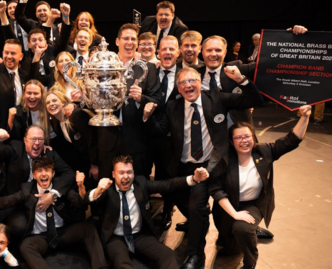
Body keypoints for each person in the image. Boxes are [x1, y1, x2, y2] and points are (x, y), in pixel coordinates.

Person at [143, 67, 263, 269]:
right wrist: (147, 117)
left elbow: (255, 100)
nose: (188, 85)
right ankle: (200, 222)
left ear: (200, 82)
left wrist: (241, 80)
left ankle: (195, 255)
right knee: (189, 207)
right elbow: (157, 131)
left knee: (197, 204)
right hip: (182, 168)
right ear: (178, 88)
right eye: (182, 83)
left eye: (192, 80)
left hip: (209, 165)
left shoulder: (216, 98)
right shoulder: (173, 106)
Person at [209, 105, 312, 269]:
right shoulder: (224, 160)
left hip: (252, 204)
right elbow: (216, 190)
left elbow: (291, 140)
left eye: (247, 136)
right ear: (231, 141)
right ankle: (251, 231)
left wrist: (304, 117)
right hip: (227, 207)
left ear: (253, 137)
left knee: (242, 229)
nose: (244, 141)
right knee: (229, 249)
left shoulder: (264, 151)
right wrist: (234, 213)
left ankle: (249, 264)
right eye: (238, 138)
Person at [0, 156, 109, 269]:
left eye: (47, 170)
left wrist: (80, 186)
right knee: (26, 246)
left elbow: (80, 203)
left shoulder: (60, 187)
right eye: (39, 171)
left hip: (62, 232)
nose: (44, 174)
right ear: (34, 175)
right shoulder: (26, 190)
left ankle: (101, 267)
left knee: (87, 228)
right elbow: (2, 203)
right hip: (41, 238)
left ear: (53, 173)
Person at [88, 155, 209, 269]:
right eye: (121, 173)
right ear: (114, 174)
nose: (126, 176)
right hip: (116, 238)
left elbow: (168, 185)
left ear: (133, 173)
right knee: (122, 264)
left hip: (139, 236)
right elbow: (85, 201)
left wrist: (193, 179)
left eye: (129, 172)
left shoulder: (141, 183)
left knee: (168, 255)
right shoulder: (106, 189)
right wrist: (97, 191)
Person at [0, 126, 74, 250]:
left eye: (40, 139)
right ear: (25, 140)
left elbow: (69, 173)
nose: (37, 143)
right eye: (33, 139)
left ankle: (43, 245)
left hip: (41, 200)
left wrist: (53, 194)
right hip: (16, 201)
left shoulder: (49, 153)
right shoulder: (16, 148)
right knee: (18, 227)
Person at [97, 23, 160, 179]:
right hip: (108, 140)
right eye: (126, 38)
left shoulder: (147, 68)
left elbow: (157, 99)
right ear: (117, 41)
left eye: (133, 39)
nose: (130, 42)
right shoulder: (104, 67)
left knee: (138, 187)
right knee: (108, 188)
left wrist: (141, 99)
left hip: (137, 141)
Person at [148, 35, 181, 230]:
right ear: (157, 52)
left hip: (170, 138)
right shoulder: (149, 71)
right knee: (143, 172)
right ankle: (143, 209)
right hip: (148, 135)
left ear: (178, 52)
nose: (167, 53)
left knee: (167, 175)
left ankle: (167, 210)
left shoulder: (186, 75)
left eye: (171, 49)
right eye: (164, 49)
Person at [193, 35, 256, 125]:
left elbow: (263, 66)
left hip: (235, 132)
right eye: (209, 50)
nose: (213, 54)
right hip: (204, 131)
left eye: (218, 50)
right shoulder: (194, 73)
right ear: (202, 52)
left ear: (225, 52)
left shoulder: (237, 69)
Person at [45, 90, 99, 185]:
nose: (51, 104)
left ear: (63, 102)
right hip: (83, 162)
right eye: (48, 103)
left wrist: (94, 165)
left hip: (97, 159)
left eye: (54, 100)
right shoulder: (55, 121)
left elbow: (92, 140)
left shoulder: (75, 115)